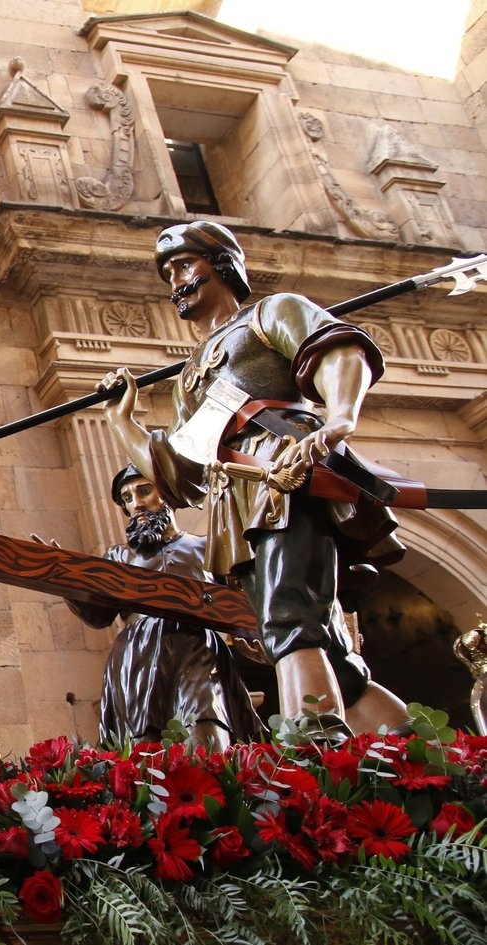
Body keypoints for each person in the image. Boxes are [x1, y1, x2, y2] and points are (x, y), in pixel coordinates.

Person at [100, 220, 409, 737]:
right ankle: (414, 747)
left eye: (184, 265)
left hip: (285, 472)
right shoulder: (193, 372)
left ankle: (314, 749)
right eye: (168, 273)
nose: (176, 280)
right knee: (311, 637)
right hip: (236, 503)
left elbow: (337, 350)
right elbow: (180, 471)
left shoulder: (271, 313)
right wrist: (121, 421)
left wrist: (338, 419)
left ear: (221, 264)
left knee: (289, 618)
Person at [59, 465, 262, 750]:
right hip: (138, 655)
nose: (136, 503)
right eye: (127, 499)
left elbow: (242, 605)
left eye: (144, 491)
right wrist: (64, 582)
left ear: (167, 493)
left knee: (208, 730)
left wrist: (255, 639)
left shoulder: (207, 548)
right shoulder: (119, 556)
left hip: (197, 648)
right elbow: (98, 614)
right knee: (146, 747)